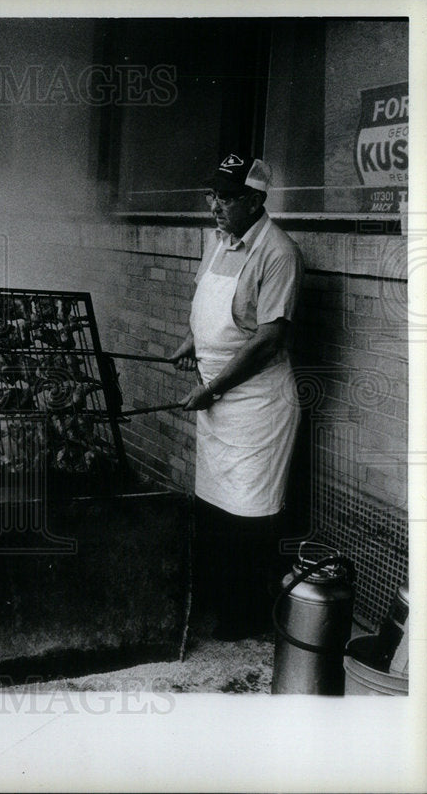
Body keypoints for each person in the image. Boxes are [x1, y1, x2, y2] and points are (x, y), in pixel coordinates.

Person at [168, 152, 303, 641]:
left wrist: (214, 387)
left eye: (226, 197)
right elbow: (206, 302)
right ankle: (216, 599)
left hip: (255, 403)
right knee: (214, 503)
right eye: (212, 195)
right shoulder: (218, 242)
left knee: (249, 511)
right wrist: (193, 341)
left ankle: (244, 616)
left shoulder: (279, 253)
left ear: (255, 199)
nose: (216, 206)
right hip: (217, 395)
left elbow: (268, 339)